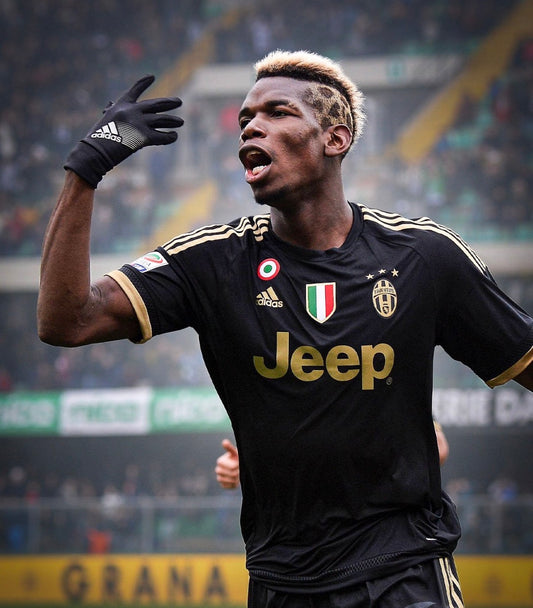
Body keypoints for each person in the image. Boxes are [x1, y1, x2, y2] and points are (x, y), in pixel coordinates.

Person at [38, 50, 533, 607]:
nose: (251, 126)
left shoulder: (423, 255)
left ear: (335, 138)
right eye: (246, 118)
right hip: (282, 579)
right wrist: (85, 170)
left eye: (277, 112)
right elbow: (65, 321)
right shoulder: (213, 261)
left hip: (403, 566)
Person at [216, 420, 450, 490]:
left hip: (377, 535)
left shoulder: (377, 368)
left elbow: (437, 448)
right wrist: (247, 467)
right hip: (298, 550)